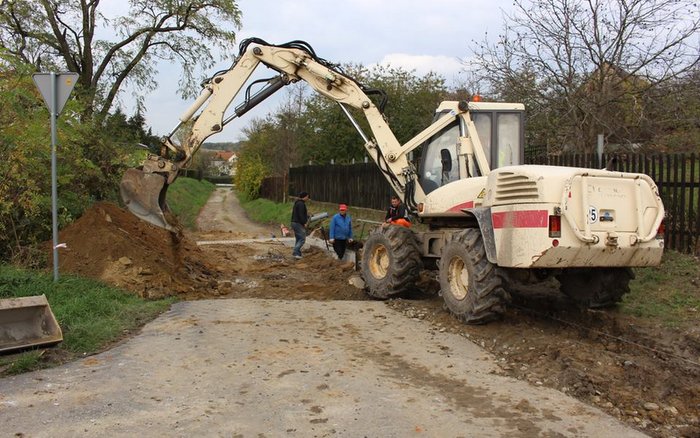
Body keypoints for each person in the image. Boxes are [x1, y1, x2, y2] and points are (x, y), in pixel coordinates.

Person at [290, 191, 310, 259]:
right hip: (298, 223)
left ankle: (297, 254)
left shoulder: (297, 203)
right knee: (302, 239)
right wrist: (304, 222)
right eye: (307, 196)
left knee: (298, 238)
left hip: (294, 222)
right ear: (304, 197)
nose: (308, 198)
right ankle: (295, 252)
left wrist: (306, 215)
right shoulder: (301, 204)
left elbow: (299, 213)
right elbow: (301, 214)